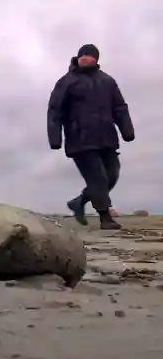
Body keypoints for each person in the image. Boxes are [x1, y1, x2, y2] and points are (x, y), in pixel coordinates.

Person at [48, 44, 135, 230]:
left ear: (96, 59)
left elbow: (119, 107)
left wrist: (127, 130)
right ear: (77, 58)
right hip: (79, 139)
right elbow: (55, 111)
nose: (85, 58)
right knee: (98, 178)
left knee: (112, 175)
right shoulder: (66, 82)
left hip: (107, 138)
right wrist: (55, 138)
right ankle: (105, 217)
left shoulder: (108, 81)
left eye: (89, 55)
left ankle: (79, 201)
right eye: (82, 55)